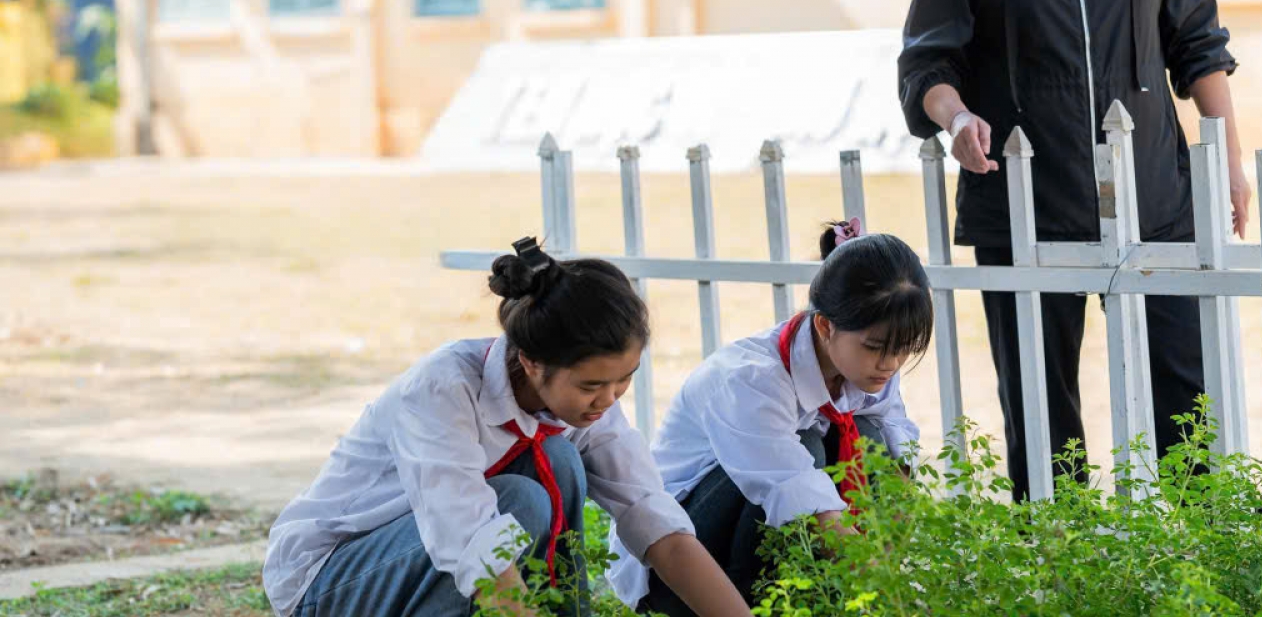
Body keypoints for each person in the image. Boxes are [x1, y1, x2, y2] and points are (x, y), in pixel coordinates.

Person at [897, 0, 1248, 501]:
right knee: (1039, 403)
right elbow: (928, 63)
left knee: (1184, 394)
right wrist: (956, 117)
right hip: (1023, 205)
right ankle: (1058, 549)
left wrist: (1231, 164)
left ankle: (1208, 545)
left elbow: (1199, 48)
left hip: (1153, 196)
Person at [262, 237, 752, 617]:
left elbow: (656, 522)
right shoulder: (443, 391)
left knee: (556, 459)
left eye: (625, 380)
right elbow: (468, 539)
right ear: (533, 363)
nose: (608, 399)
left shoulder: (583, 407)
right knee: (519, 502)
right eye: (591, 385)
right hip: (329, 581)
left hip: (429, 562)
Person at [609, 219, 930, 614]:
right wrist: (887, 596)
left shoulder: (869, 370)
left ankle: (820, 600)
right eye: (877, 347)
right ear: (825, 325)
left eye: (904, 349)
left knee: (873, 439)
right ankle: (764, 605)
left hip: (772, 530)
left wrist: (894, 560)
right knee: (806, 450)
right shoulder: (750, 381)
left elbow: (898, 461)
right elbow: (805, 503)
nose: (891, 364)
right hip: (682, 563)